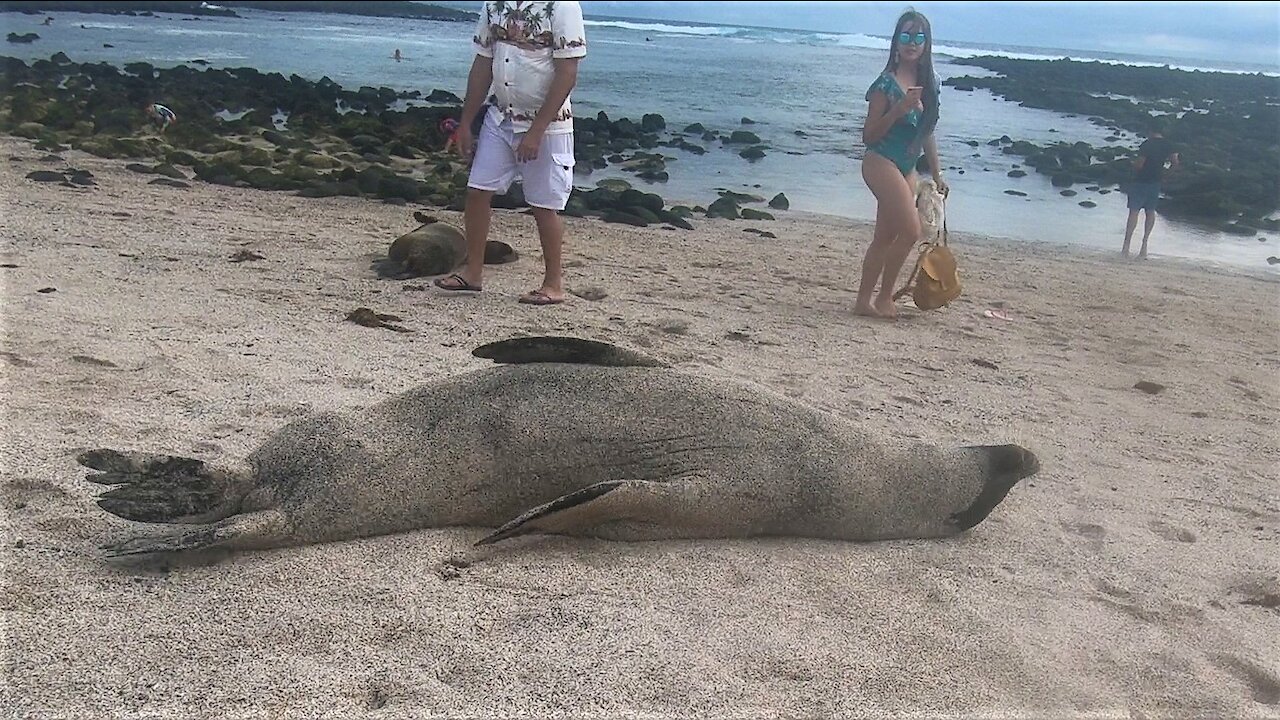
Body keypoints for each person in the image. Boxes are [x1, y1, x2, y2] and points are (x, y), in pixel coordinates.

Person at [433, 0, 587, 306]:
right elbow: (482, 64)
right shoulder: (494, 4)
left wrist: (537, 130)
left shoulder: (562, 5)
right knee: (477, 191)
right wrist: (465, 123)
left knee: (545, 205)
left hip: (548, 123)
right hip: (500, 116)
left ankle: (553, 284)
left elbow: (568, 72)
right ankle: (473, 272)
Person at [855, 10, 948, 320]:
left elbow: (927, 132)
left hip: (907, 167)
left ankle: (863, 302)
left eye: (918, 37)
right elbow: (868, 136)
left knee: (884, 237)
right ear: (896, 43)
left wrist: (936, 173)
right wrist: (899, 110)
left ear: (926, 44)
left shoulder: (929, 83)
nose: (911, 43)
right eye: (905, 36)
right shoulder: (885, 84)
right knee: (910, 230)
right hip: (880, 161)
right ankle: (883, 299)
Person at [1122, 123, 1179, 259]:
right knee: (1150, 212)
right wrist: (1167, 175)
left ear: (1150, 130)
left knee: (1134, 212)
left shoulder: (1147, 144)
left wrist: (1132, 164)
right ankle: (1144, 246)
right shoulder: (1168, 144)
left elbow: (1140, 164)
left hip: (1141, 180)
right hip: (1156, 181)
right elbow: (1175, 162)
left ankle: (1126, 246)